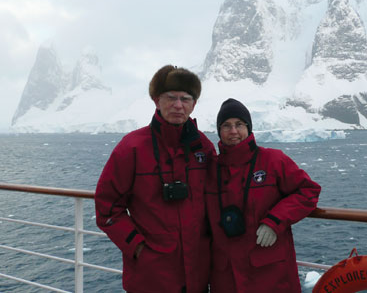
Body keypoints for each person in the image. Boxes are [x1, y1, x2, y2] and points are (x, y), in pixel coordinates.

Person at [95, 65, 215, 293]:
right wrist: (138, 247)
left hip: (198, 276)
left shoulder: (203, 147)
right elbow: (107, 208)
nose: (178, 105)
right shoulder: (132, 148)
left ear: (194, 104)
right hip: (150, 277)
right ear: (156, 100)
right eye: (171, 98)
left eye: (185, 98)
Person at [206, 98, 321, 293]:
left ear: (248, 128)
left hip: (269, 275)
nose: (233, 131)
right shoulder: (210, 170)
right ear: (219, 131)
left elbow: (308, 191)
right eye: (226, 125)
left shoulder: (273, 160)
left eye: (239, 124)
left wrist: (275, 221)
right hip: (226, 276)